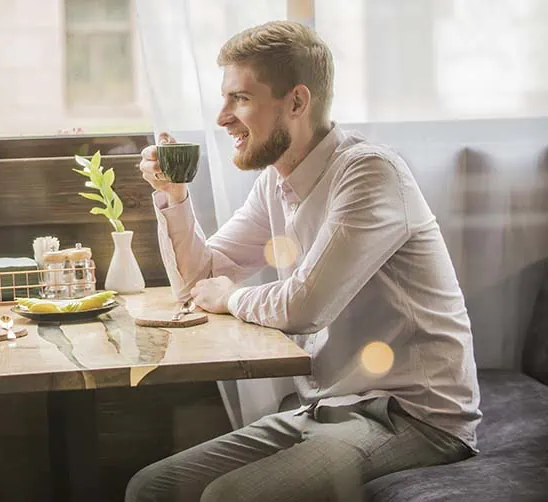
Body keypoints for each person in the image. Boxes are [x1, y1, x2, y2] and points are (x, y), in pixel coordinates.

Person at [127, 21, 480, 502]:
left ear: (296, 102)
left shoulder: (369, 172)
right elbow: (200, 282)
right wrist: (174, 196)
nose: (222, 117)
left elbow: (306, 306)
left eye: (240, 99)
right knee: (153, 487)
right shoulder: (276, 182)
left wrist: (233, 297)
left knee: (227, 497)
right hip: (329, 407)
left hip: (412, 416)